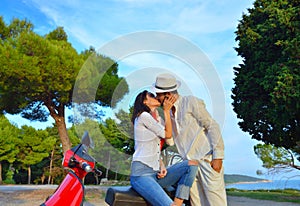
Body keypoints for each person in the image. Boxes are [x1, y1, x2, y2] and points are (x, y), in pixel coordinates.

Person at [153, 73, 227, 206]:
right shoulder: (167, 113)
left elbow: (212, 125)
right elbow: (170, 141)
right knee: (196, 203)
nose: (157, 98)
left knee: (216, 202)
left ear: (168, 95)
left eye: (159, 94)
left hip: (206, 160)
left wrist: (218, 156)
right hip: (189, 165)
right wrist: (166, 114)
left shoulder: (190, 102)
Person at [130, 90, 198, 206]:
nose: (155, 96)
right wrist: (166, 110)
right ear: (145, 101)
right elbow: (167, 134)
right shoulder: (143, 116)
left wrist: (161, 166)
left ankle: (178, 202)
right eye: (151, 95)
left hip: (156, 174)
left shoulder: (158, 120)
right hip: (141, 174)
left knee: (192, 164)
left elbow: (165, 143)